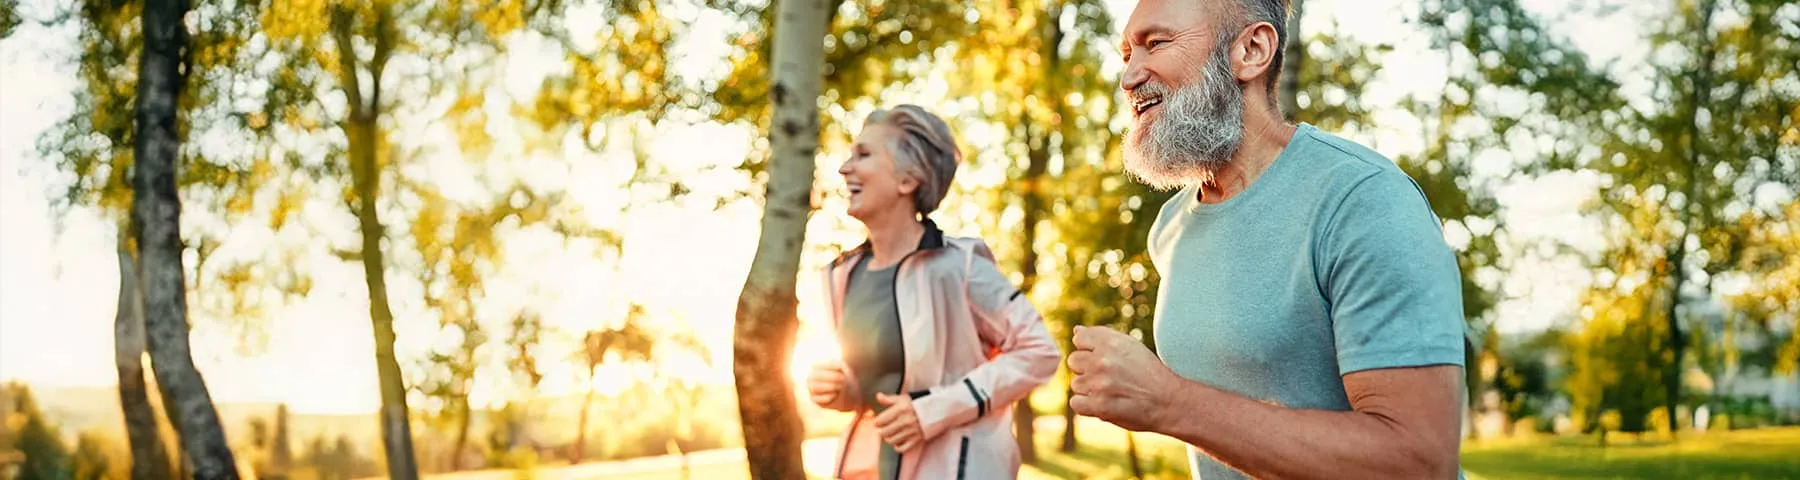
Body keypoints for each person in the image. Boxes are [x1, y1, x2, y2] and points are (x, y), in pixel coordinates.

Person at [1064, 0, 1469, 479]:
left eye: (1156, 43)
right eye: (1126, 53)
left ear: (1251, 50)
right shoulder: (1172, 226)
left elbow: (1418, 462)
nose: (1129, 77)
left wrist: (1170, 404)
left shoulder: (1363, 200)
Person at [806, 104, 1061, 480]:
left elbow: (1039, 352)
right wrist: (841, 389)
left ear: (908, 180)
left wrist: (932, 410)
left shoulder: (961, 266)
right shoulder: (841, 277)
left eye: (863, 155)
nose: (845, 168)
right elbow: (881, 387)